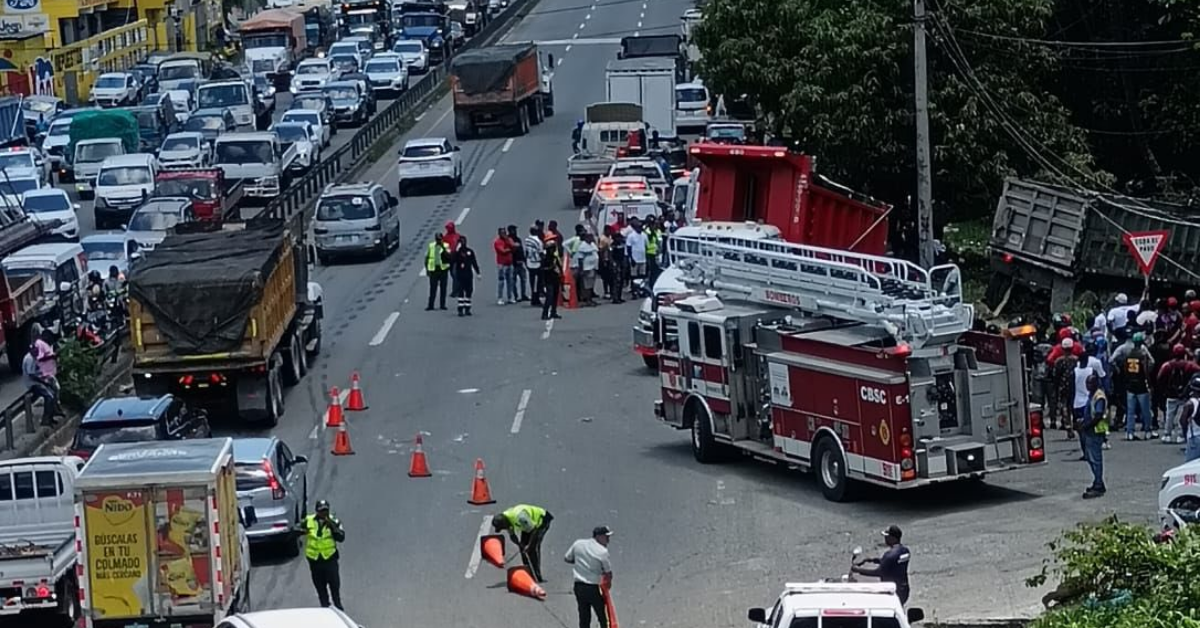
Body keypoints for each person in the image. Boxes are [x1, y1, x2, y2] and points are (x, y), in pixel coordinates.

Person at [564, 526, 614, 628]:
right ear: (599, 536)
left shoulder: (578, 544)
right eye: (606, 537)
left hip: (579, 587)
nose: (608, 540)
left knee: (584, 616)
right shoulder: (602, 551)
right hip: (593, 588)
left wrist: (580, 562)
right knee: (602, 616)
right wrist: (607, 586)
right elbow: (608, 572)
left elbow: (567, 558)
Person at [300, 500, 345, 610]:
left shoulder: (334, 521)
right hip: (315, 561)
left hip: (330, 560)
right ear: (317, 511)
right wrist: (302, 531)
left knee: (335, 587)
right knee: (321, 590)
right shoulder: (309, 520)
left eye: (326, 510)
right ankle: (325, 610)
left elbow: (341, 537)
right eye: (321, 511)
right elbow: (296, 529)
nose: (324, 513)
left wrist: (332, 526)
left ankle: (338, 609)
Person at [1111, 332, 1156, 440]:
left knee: (1130, 411)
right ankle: (1148, 431)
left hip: (1130, 384)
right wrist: (1149, 382)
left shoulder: (1128, 354)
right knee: (1145, 410)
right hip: (1141, 384)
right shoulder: (1142, 354)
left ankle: (1130, 432)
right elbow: (1147, 368)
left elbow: (1125, 369)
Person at [492, 504, 554, 582]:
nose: (504, 529)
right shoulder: (506, 518)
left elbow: (534, 530)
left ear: (504, 523)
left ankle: (537, 576)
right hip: (527, 525)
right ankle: (529, 573)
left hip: (541, 521)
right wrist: (520, 545)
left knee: (532, 549)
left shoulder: (520, 517)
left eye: (502, 528)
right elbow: (512, 536)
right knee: (523, 550)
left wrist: (529, 546)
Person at [851, 525, 911, 604]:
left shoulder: (889, 555)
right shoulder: (905, 551)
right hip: (904, 589)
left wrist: (858, 570)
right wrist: (873, 560)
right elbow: (893, 563)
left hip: (892, 590)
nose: (885, 538)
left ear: (893, 538)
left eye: (887, 536)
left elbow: (878, 572)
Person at [1157, 344, 1199, 444]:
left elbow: (1159, 377)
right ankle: (1181, 435)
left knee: (1169, 415)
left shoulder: (1168, 365)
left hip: (1171, 394)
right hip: (1184, 394)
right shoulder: (1189, 365)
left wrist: (1163, 389)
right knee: (1182, 414)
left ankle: (1167, 434)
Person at [1076, 373, 1108, 498]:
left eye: (1090, 383)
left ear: (1096, 383)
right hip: (1090, 430)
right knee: (1090, 458)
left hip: (1095, 431)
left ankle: (1099, 485)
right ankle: (1097, 482)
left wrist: (1086, 426)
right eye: (1087, 383)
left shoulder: (1099, 396)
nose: (1088, 386)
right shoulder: (1092, 395)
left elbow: (1098, 416)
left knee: (1096, 459)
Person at [22, 349, 59, 427]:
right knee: (49, 396)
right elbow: (32, 375)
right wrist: (44, 381)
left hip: (38, 381)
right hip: (33, 383)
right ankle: (46, 419)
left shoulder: (35, 357)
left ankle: (52, 415)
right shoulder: (29, 359)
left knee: (54, 390)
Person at [450, 236, 481, 316]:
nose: (463, 243)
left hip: (468, 274)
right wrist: (456, 251)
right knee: (461, 292)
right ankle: (460, 309)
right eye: (461, 241)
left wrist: (478, 272)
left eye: (464, 241)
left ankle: (467, 309)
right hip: (460, 275)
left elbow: (474, 262)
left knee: (469, 291)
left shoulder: (470, 251)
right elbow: (452, 260)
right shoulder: (457, 253)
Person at [425, 233, 451, 311]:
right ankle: (430, 305)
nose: (438, 241)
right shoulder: (431, 246)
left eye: (439, 239)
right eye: (437, 239)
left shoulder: (446, 246)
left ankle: (442, 305)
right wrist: (427, 269)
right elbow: (427, 258)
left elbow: (449, 256)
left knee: (443, 288)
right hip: (434, 270)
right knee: (433, 288)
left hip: (443, 270)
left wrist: (443, 247)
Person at [573, 232, 600, 306]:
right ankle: (588, 300)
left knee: (591, 284)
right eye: (590, 237)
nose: (592, 238)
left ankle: (590, 299)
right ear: (586, 238)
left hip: (593, 267)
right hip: (587, 268)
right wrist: (581, 269)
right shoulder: (582, 246)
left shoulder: (592, 244)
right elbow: (580, 259)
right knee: (587, 285)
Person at [494, 227, 517, 305]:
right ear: (499, 234)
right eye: (502, 233)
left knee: (510, 281)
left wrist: (509, 243)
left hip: (510, 263)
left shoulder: (509, 239)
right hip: (502, 264)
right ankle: (500, 298)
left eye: (504, 232)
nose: (504, 234)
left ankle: (510, 297)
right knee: (501, 281)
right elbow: (502, 251)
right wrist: (510, 249)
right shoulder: (497, 242)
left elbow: (514, 246)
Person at [541, 241, 563, 321]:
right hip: (548, 280)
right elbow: (543, 269)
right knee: (549, 297)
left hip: (556, 279)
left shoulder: (555, 257)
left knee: (555, 296)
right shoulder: (545, 258)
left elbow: (559, 266)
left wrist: (560, 274)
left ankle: (553, 312)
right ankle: (545, 313)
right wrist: (551, 268)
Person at [524, 226, 545, 307]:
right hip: (537, 264)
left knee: (532, 282)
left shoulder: (527, 240)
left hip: (529, 263)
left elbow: (526, 252)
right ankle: (535, 299)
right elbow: (541, 253)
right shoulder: (538, 241)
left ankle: (534, 297)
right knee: (538, 282)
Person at [1181, 374, 1200, 462]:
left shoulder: (1190, 404)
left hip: (1194, 437)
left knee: (1190, 465)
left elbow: (1183, 421)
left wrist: (1185, 434)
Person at [508, 225, 529, 302]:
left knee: (523, 279)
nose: (515, 231)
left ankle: (523, 295)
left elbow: (521, 250)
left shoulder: (518, 239)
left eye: (515, 230)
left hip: (520, 262)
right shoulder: (508, 240)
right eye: (513, 230)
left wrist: (524, 261)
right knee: (513, 281)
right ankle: (515, 296)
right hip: (513, 264)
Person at [444, 221, 462, 296]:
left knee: (455, 274)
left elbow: (460, 245)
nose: (448, 229)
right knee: (452, 273)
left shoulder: (457, 236)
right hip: (449, 258)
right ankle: (458, 288)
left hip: (456, 257)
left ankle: (456, 291)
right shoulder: (445, 237)